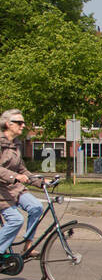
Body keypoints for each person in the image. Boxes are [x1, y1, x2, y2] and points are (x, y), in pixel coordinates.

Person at [0, 110, 45, 259]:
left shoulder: (16, 144)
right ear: (8, 124)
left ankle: (28, 247)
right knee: (16, 220)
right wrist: (14, 176)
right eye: (20, 122)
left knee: (37, 207)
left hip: (16, 188)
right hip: (2, 190)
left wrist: (40, 182)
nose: (23, 125)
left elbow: (22, 169)